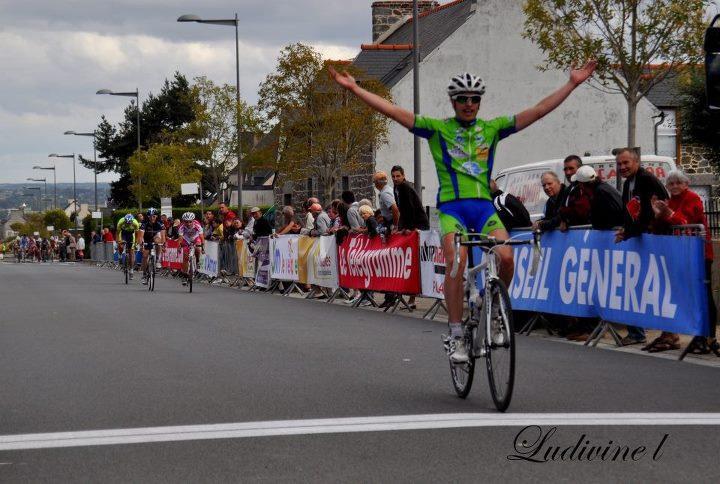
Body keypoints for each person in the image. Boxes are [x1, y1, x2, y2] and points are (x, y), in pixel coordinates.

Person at [330, 60, 597, 362]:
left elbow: (537, 111)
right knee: (456, 263)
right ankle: (456, 333)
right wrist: (355, 88)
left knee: (507, 257)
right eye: (463, 99)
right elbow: (393, 112)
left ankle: (496, 310)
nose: (469, 104)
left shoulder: (492, 128)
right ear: (453, 101)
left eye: (475, 99)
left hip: (484, 208)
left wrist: (572, 84)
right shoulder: (438, 129)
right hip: (452, 211)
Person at [649, 170, 717, 353]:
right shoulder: (669, 202)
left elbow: (686, 221)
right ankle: (681, 334)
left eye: (678, 183)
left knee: (703, 296)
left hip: (699, 254)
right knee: (683, 295)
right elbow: (660, 229)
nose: (675, 186)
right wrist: (657, 215)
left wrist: (667, 213)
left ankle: (707, 337)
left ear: (686, 184)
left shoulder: (692, 198)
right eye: (671, 184)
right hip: (680, 255)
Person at [614, 148, 669, 346]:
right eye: (619, 164)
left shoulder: (647, 180)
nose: (622, 167)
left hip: (654, 240)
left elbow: (653, 211)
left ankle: (668, 334)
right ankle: (637, 333)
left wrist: (629, 232)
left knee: (658, 288)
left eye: (626, 163)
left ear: (636, 162)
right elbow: (630, 213)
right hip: (637, 240)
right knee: (634, 286)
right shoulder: (629, 183)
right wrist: (625, 230)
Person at [571, 165, 624, 230]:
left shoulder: (599, 192)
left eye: (578, 183)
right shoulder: (604, 187)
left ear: (581, 184)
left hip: (617, 232)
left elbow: (600, 221)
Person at [391, 165, 430, 232]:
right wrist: (400, 227)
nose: (395, 179)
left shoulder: (405, 187)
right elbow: (402, 211)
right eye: (393, 176)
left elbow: (410, 209)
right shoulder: (396, 188)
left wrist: (409, 228)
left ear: (403, 176)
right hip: (413, 224)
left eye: (398, 176)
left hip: (419, 224)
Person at [558, 155, 591, 230]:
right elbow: (560, 210)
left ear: (580, 169)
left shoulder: (586, 188)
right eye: (565, 169)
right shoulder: (567, 190)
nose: (568, 172)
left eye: (571, 168)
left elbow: (581, 213)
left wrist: (565, 220)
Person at [137, 208, 167, 285]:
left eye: (153, 216)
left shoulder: (160, 222)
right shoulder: (144, 223)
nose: (152, 218)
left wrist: (163, 244)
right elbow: (140, 236)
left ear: (156, 216)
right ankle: (144, 274)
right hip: (146, 237)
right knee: (144, 255)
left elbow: (163, 235)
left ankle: (157, 260)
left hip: (155, 236)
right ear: (147, 216)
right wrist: (141, 245)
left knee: (158, 242)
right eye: (150, 216)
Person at [178, 212, 204, 285]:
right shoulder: (181, 227)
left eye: (190, 222)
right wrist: (179, 246)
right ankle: (185, 275)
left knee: (198, 248)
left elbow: (202, 237)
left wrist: (203, 246)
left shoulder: (197, 225)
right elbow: (180, 239)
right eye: (186, 222)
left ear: (193, 220)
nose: (188, 223)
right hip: (186, 239)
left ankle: (198, 261)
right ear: (183, 221)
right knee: (185, 257)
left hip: (195, 238)